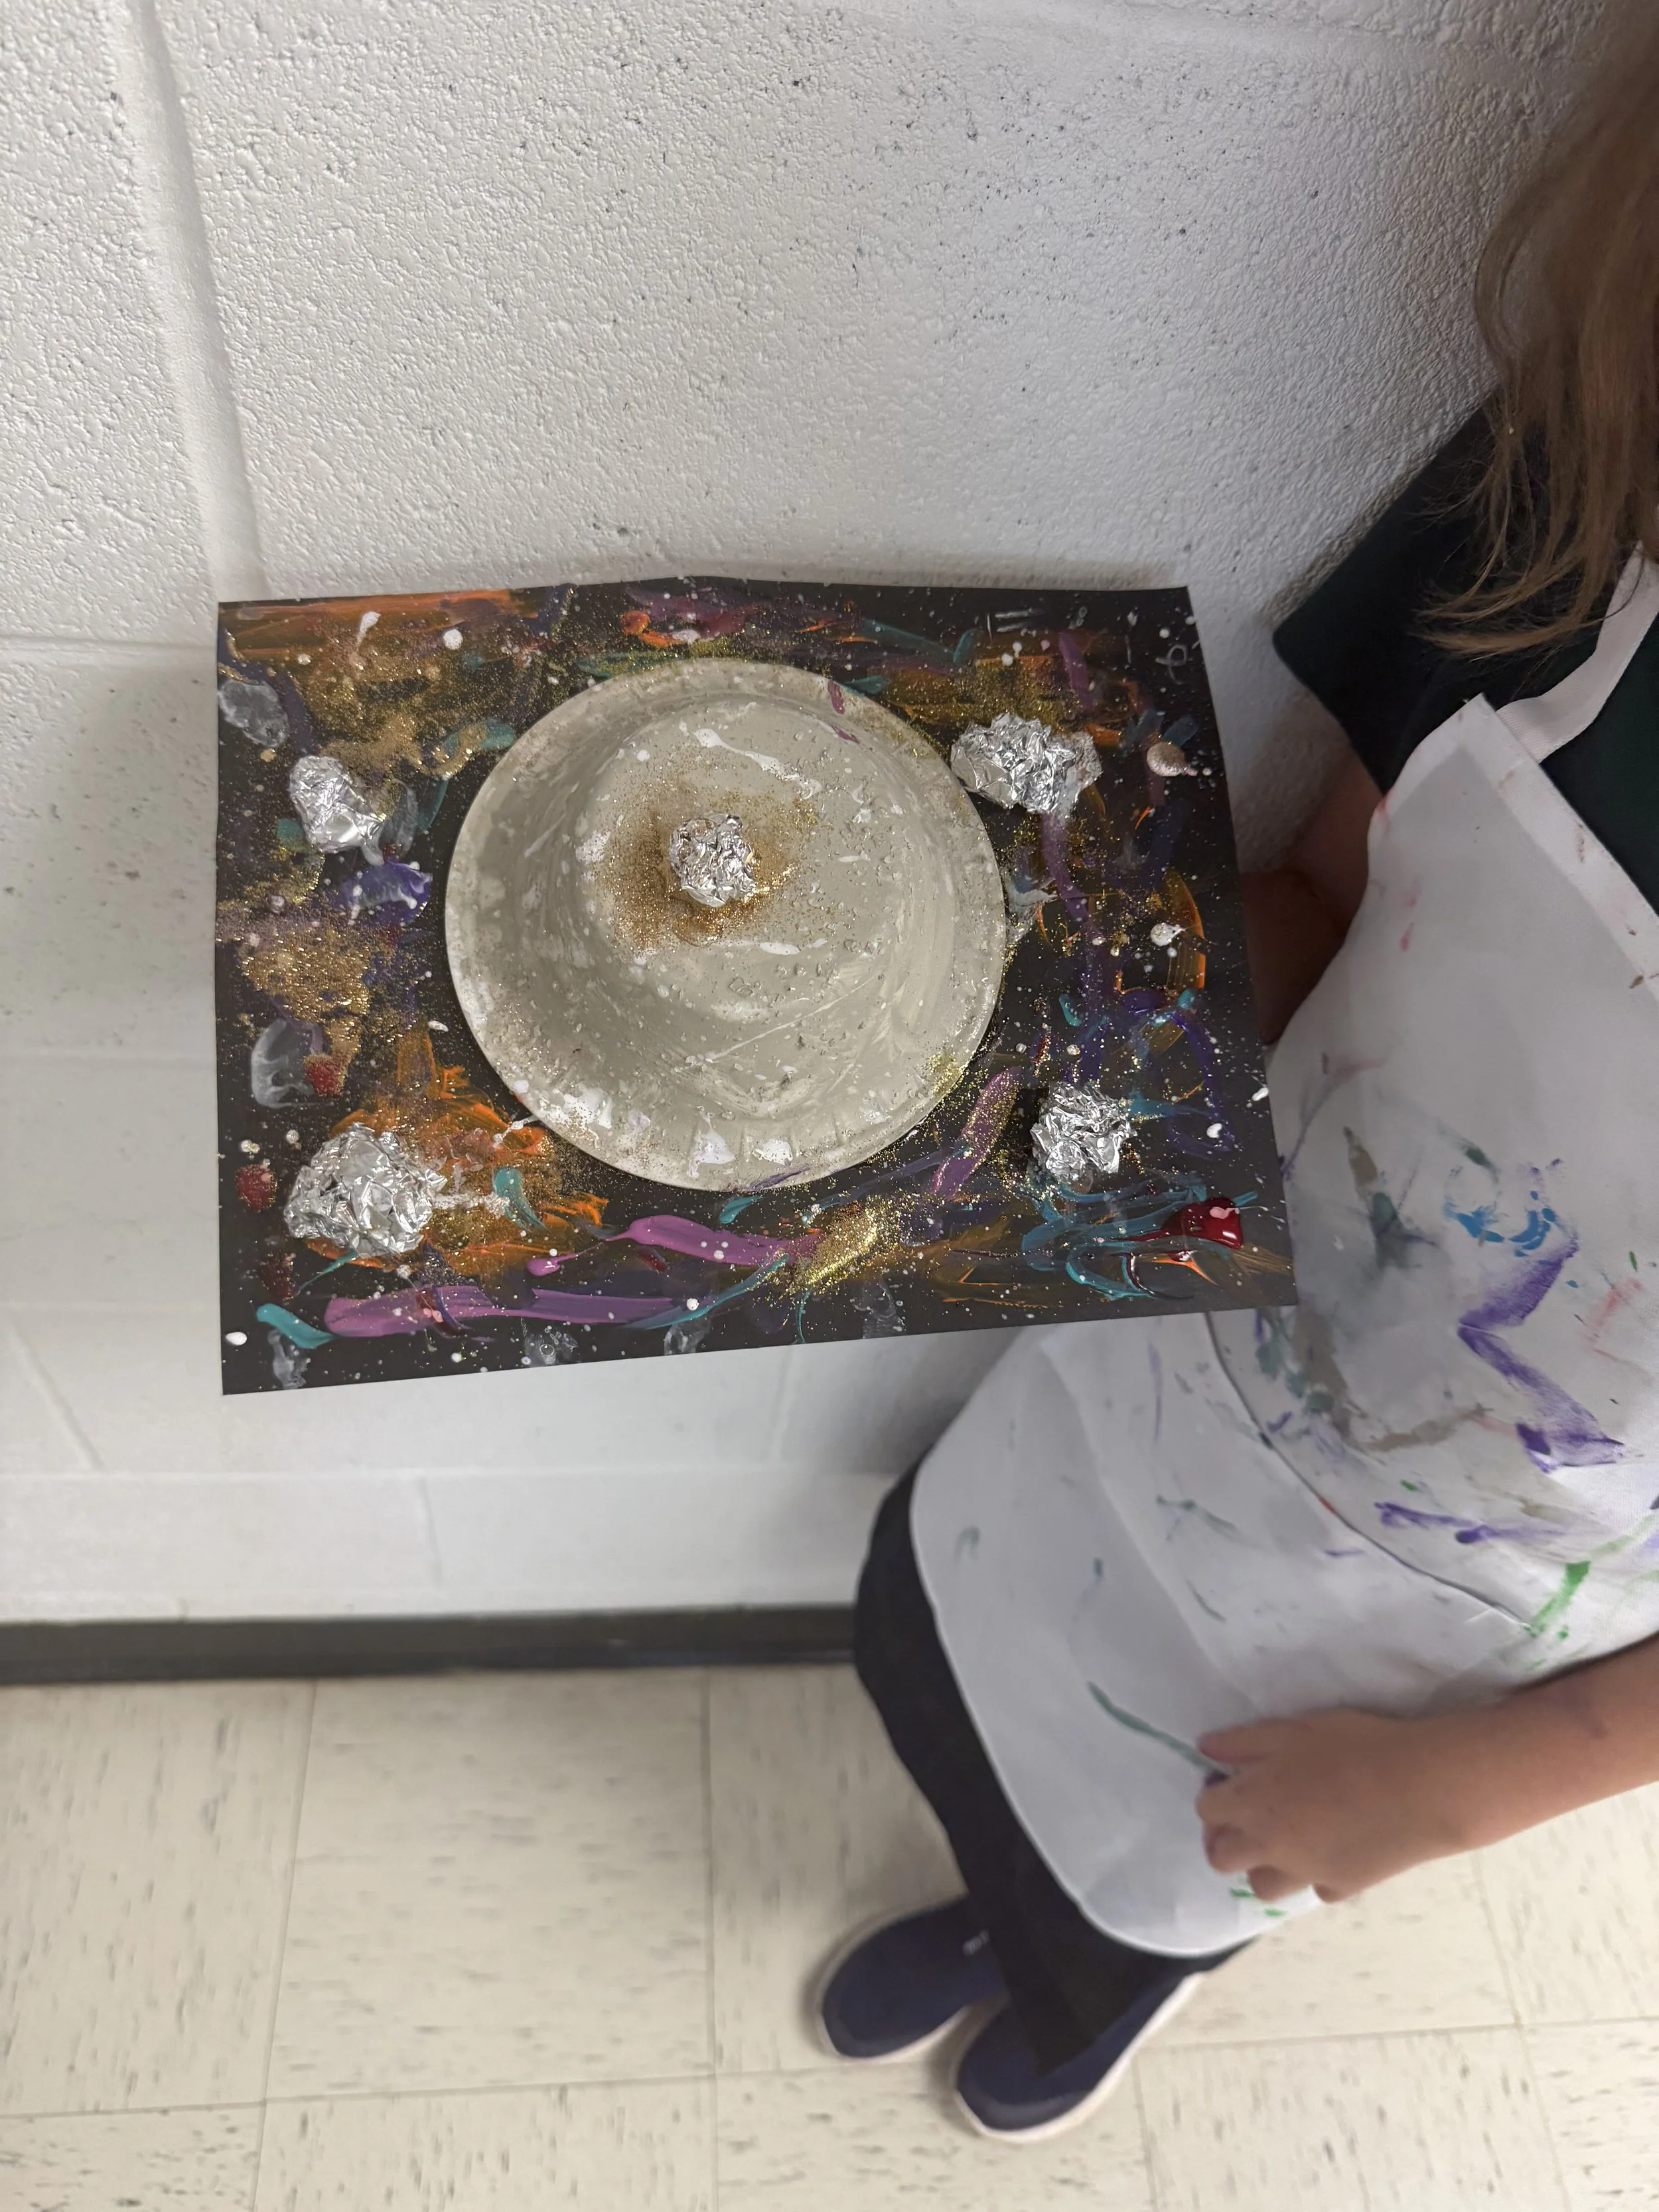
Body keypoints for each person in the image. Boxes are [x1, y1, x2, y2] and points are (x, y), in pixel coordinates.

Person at [816, 0, 1659, 2144]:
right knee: (970, 1670)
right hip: (1165, 1355)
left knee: (1186, 1851)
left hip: (1419, 1640)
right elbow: (1307, 893)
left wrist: (1471, 1791)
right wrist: (987, 1074)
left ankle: (1086, 1989)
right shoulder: (1594, 495)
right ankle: (998, 1900)